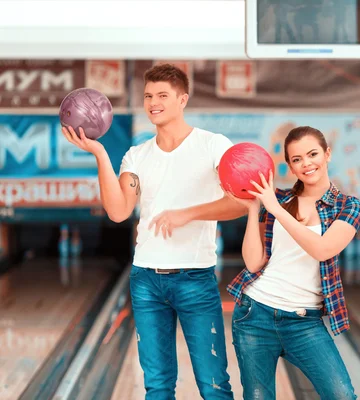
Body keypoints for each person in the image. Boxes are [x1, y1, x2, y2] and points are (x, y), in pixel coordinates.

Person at [61, 63, 247, 400]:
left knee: (214, 385)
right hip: (146, 279)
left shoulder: (212, 146)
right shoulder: (136, 155)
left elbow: (239, 203)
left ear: (183, 99)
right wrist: (101, 154)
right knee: (157, 386)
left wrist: (188, 214)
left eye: (162, 95)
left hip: (195, 279)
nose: (153, 102)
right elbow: (118, 212)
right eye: (148, 96)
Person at [226, 126, 360, 400]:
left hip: (304, 323)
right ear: (289, 165)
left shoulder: (348, 206)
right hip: (255, 314)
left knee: (342, 395)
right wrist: (254, 210)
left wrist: (274, 208)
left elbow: (323, 250)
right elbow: (253, 263)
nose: (306, 163)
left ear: (327, 154)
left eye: (312, 154)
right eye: (297, 159)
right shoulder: (277, 199)